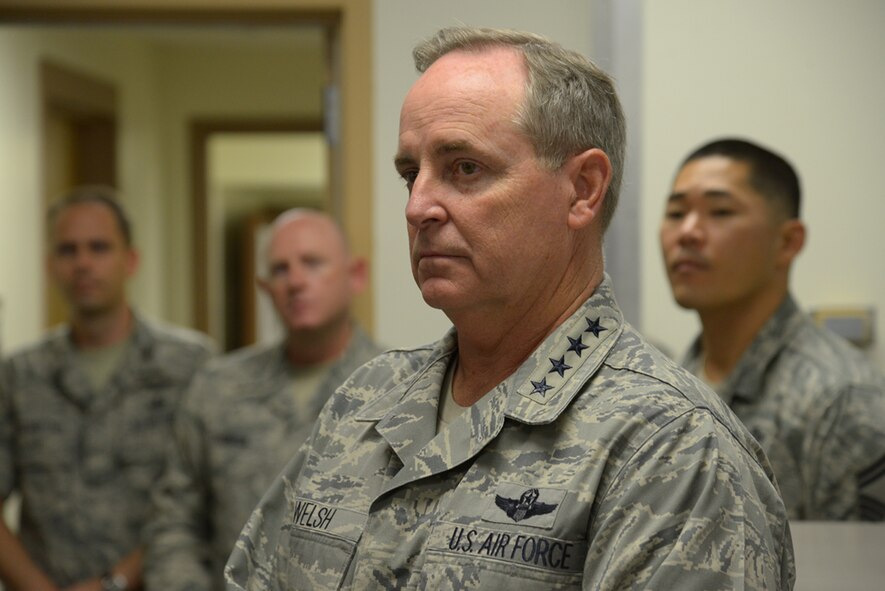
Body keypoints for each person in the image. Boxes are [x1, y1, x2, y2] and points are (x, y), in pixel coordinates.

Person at [226, 27, 795, 589]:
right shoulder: (365, 400)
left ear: (582, 189)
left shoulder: (672, 448)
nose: (419, 205)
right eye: (409, 174)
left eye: (464, 169)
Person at [144, 209, 384, 590]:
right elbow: (175, 521)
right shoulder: (218, 388)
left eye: (312, 263)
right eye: (280, 269)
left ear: (355, 275)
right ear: (265, 287)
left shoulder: (400, 389)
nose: (296, 281)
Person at [659, 137, 885, 521]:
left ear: (787, 242)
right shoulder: (674, 379)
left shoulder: (842, 401)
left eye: (720, 211)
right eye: (677, 213)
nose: (688, 232)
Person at [0, 186, 213, 591]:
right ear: (50, 266)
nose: (83, 263)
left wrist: (113, 583)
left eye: (98, 248)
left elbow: (202, 500)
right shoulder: (19, 374)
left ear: (130, 260)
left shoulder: (190, 365)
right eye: (68, 250)